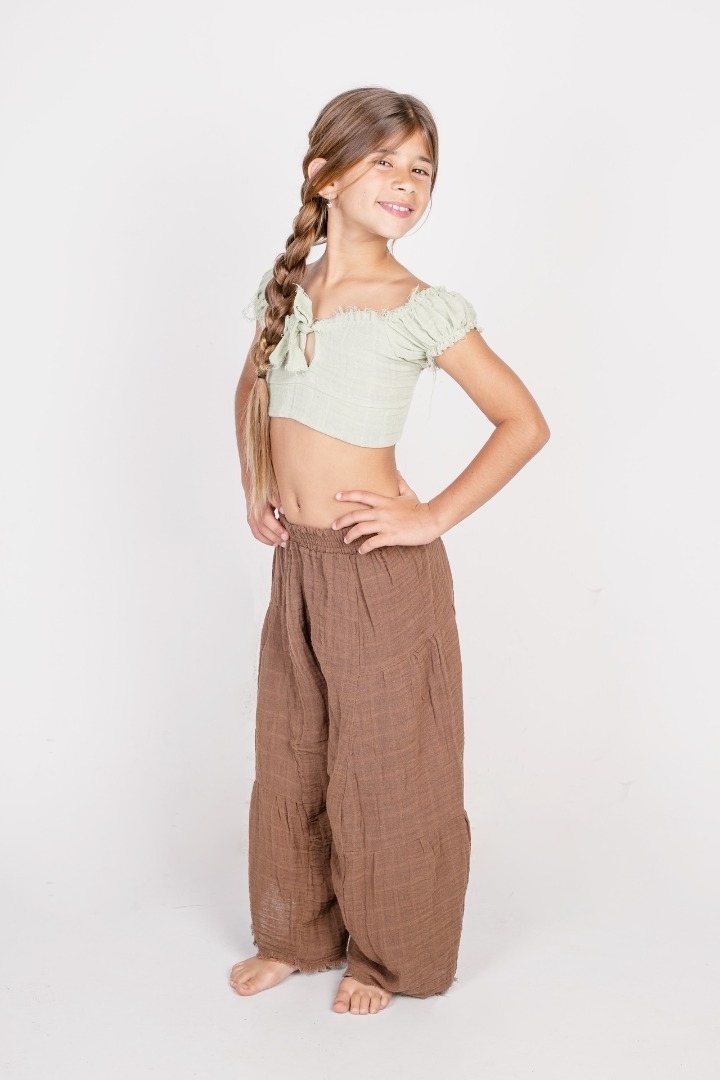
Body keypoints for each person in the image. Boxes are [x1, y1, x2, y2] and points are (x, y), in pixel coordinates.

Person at [229, 86, 550, 1017]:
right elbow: (250, 391)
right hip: (300, 562)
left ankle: (386, 954)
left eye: (422, 169)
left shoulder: (419, 307)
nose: (407, 182)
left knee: (386, 767)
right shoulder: (288, 289)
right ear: (325, 175)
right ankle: (296, 936)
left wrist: (431, 516)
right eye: (386, 162)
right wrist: (256, 483)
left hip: (380, 572)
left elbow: (523, 423)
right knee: (294, 752)